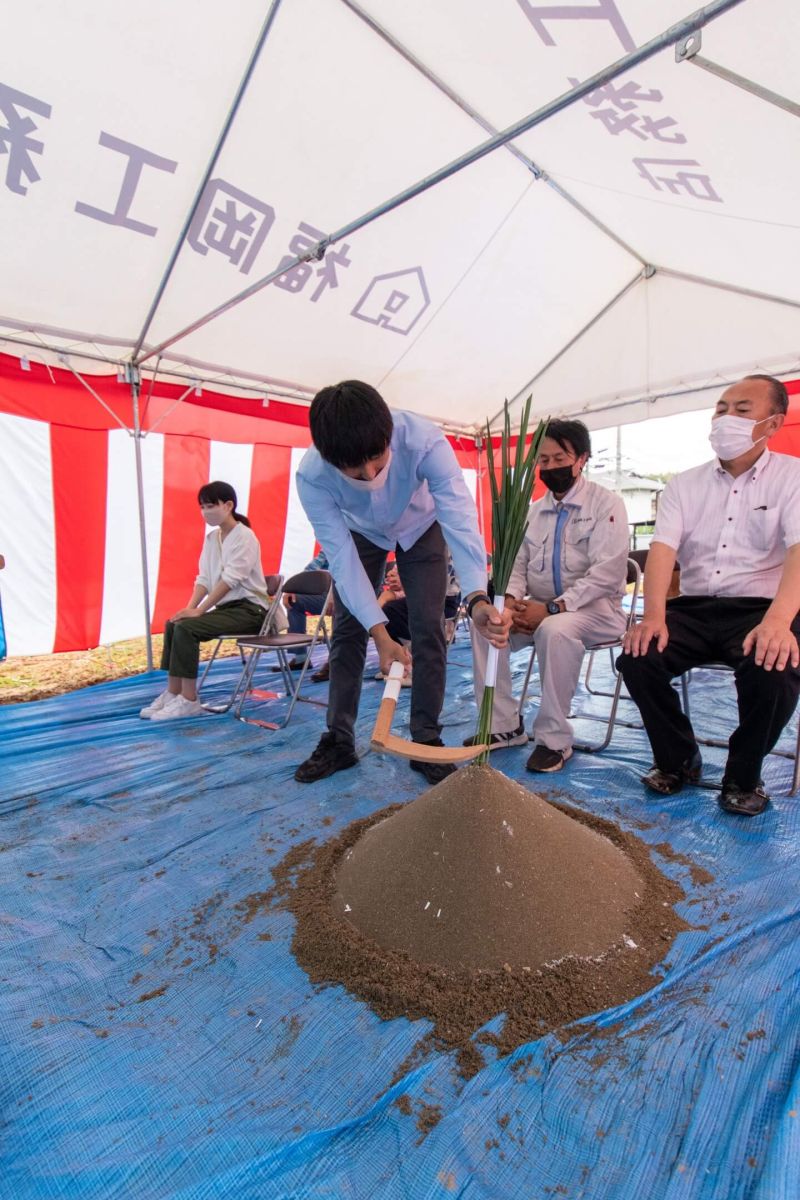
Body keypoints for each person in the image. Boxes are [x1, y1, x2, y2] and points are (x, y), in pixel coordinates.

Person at [293, 380, 509, 785]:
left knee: (428, 626)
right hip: (360, 532)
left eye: (378, 460)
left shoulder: (425, 441)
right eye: (355, 472)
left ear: (389, 433)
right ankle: (339, 739)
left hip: (421, 524)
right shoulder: (312, 476)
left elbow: (460, 520)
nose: (371, 476)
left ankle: (426, 740)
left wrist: (478, 596)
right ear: (328, 457)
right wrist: (379, 632)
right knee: (347, 630)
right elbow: (341, 558)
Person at [620, 374, 800, 816]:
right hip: (695, 608)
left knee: (773, 669)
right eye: (722, 408)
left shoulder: (793, 477)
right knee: (638, 658)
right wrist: (653, 616)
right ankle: (678, 760)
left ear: (773, 423)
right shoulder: (685, 484)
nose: (726, 418)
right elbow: (662, 552)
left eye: (742, 410)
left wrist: (778, 622)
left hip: (762, 609)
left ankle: (743, 775)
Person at [468, 419, 629, 772]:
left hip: (596, 612)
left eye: (560, 457)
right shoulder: (532, 512)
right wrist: (509, 604)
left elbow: (608, 574)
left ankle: (554, 740)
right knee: (484, 625)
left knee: (555, 630)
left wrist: (553, 608)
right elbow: (517, 567)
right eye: (543, 460)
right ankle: (502, 727)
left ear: (582, 458)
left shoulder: (606, 505)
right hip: (535, 611)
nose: (551, 467)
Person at [140, 481, 271, 721]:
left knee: (188, 629)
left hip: (252, 611)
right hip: (229, 609)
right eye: (202, 506)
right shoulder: (213, 539)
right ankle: (173, 692)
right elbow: (204, 579)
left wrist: (200, 611)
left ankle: (189, 700)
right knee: (174, 623)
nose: (205, 512)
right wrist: (189, 609)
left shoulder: (245, 536)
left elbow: (230, 579)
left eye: (210, 505)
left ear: (228, 505)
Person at [277, 549, 331, 672]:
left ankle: (337, 660)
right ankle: (300, 658)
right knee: (293, 601)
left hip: (354, 593)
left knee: (342, 604)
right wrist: (296, 588)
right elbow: (313, 567)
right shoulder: (332, 540)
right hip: (329, 594)